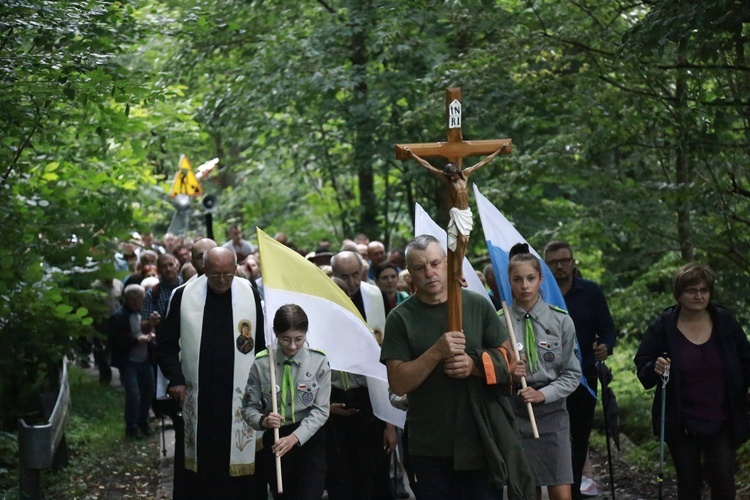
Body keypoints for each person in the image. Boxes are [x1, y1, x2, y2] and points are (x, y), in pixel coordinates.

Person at [381, 235, 534, 499]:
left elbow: (510, 362)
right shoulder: (400, 318)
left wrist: (474, 366)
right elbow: (398, 383)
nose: (429, 273)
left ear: (446, 264)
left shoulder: (476, 305)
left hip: (481, 438)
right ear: (410, 274)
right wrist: (436, 352)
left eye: (434, 263)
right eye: (420, 268)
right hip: (430, 444)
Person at [634, 263, 750, 499]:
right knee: (688, 484)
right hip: (681, 420)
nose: (699, 295)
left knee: (724, 481)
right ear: (679, 294)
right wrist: (654, 367)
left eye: (704, 290)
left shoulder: (725, 323)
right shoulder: (663, 327)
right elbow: (643, 365)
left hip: (722, 417)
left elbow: (746, 359)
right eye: (691, 290)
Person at [157, 247, 266, 498]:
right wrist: (176, 380)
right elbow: (165, 346)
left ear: (236, 268)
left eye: (227, 274)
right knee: (202, 464)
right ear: (203, 269)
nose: (222, 280)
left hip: (241, 395)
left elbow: (259, 344)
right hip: (199, 397)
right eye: (215, 274)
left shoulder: (248, 292)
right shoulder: (184, 296)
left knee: (241, 461)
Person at [507, 243, 581, 500]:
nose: (525, 286)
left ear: (540, 279)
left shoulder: (561, 321)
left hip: (552, 413)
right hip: (515, 412)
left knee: (561, 491)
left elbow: (572, 374)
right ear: (510, 282)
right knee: (526, 492)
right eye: (517, 279)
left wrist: (543, 395)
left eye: (530, 278)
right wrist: (509, 375)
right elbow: (488, 374)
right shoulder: (498, 321)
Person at [543, 241, 616, 499]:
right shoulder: (538, 292)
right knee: (551, 440)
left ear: (574, 262)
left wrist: (605, 346)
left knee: (578, 438)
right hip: (545, 379)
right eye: (553, 262)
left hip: (583, 378)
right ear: (545, 265)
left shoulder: (591, 292)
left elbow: (607, 328)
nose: (560, 266)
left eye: (565, 260)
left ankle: (571, 492)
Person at [242, 304, 331, 499]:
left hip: (308, 437)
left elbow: (321, 410)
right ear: (275, 333)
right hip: (276, 436)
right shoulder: (262, 363)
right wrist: (263, 421)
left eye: (299, 339)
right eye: (285, 339)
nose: (292, 346)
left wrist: (295, 438)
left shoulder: (319, 362)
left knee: (309, 494)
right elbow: (248, 407)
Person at [329, 251, 396, 498]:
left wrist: (390, 423)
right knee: (343, 478)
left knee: (376, 473)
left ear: (363, 272)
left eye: (356, 275)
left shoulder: (373, 296)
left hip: (372, 398)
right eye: (344, 276)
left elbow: (386, 360)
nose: (351, 282)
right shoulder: (323, 297)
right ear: (333, 274)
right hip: (336, 399)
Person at [405, 146, 508, 287]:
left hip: (466, 212)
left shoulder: (465, 174)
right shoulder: (447, 180)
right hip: (457, 213)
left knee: (465, 241)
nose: (451, 178)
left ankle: (459, 269)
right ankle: (459, 271)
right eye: (449, 176)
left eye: (452, 175)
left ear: (457, 172)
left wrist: (499, 151)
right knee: (462, 240)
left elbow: (484, 162)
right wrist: (412, 155)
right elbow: (428, 165)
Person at [107, 284, 155, 439]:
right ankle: (131, 427)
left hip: (145, 359)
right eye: (141, 298)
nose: (144, 301)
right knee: (133, 395)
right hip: (129, 362)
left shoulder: (143, 312)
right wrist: (135, 341)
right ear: (132, 300)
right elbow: (115, 342)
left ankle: (143, 421)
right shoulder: (119, 317)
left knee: (148, 391)